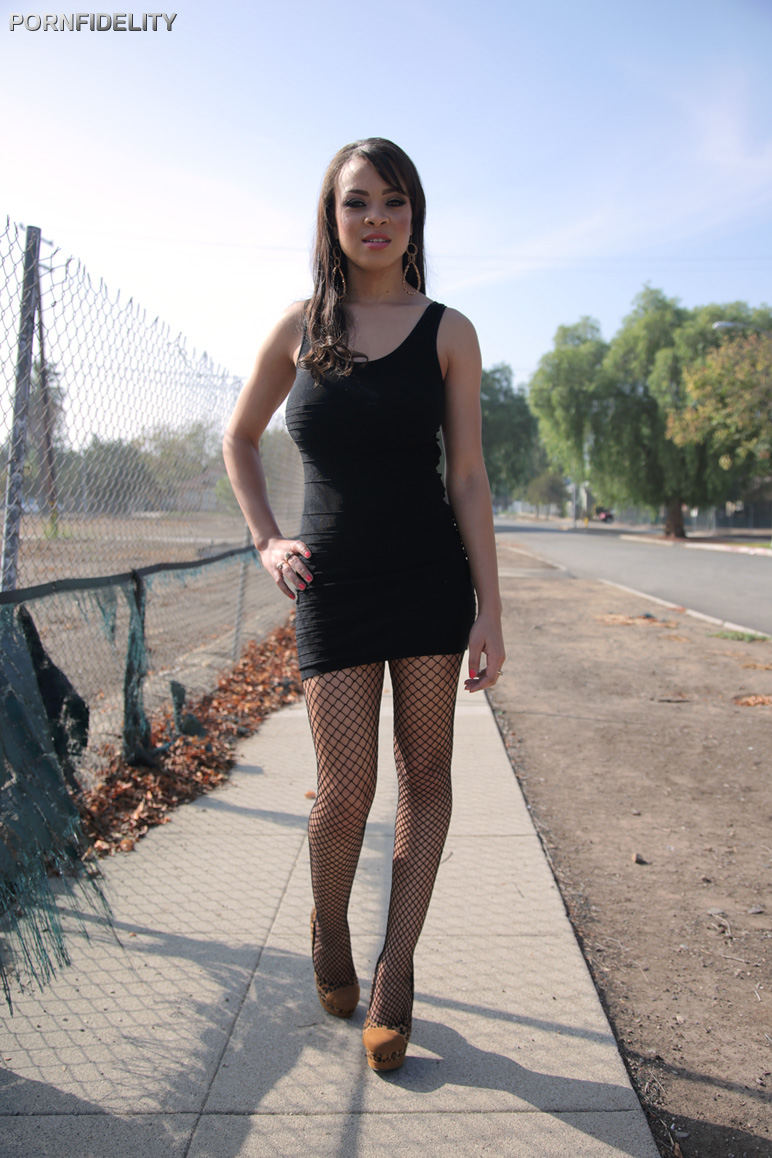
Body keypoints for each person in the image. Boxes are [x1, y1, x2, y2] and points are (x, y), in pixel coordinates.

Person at [223, 138, 505, 1072]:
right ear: (331, 217)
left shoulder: (449, 332)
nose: (375, 217)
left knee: (426, 774)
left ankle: (397, 969)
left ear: (415, 216)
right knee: (345, 792)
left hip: (429, 579)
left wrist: (490, 609)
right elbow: (239, 439)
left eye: (393, 200)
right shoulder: (299, 328)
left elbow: (468, 477)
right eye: (357, 202)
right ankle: (330, 923)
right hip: (333, 586)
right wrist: (268, 539)